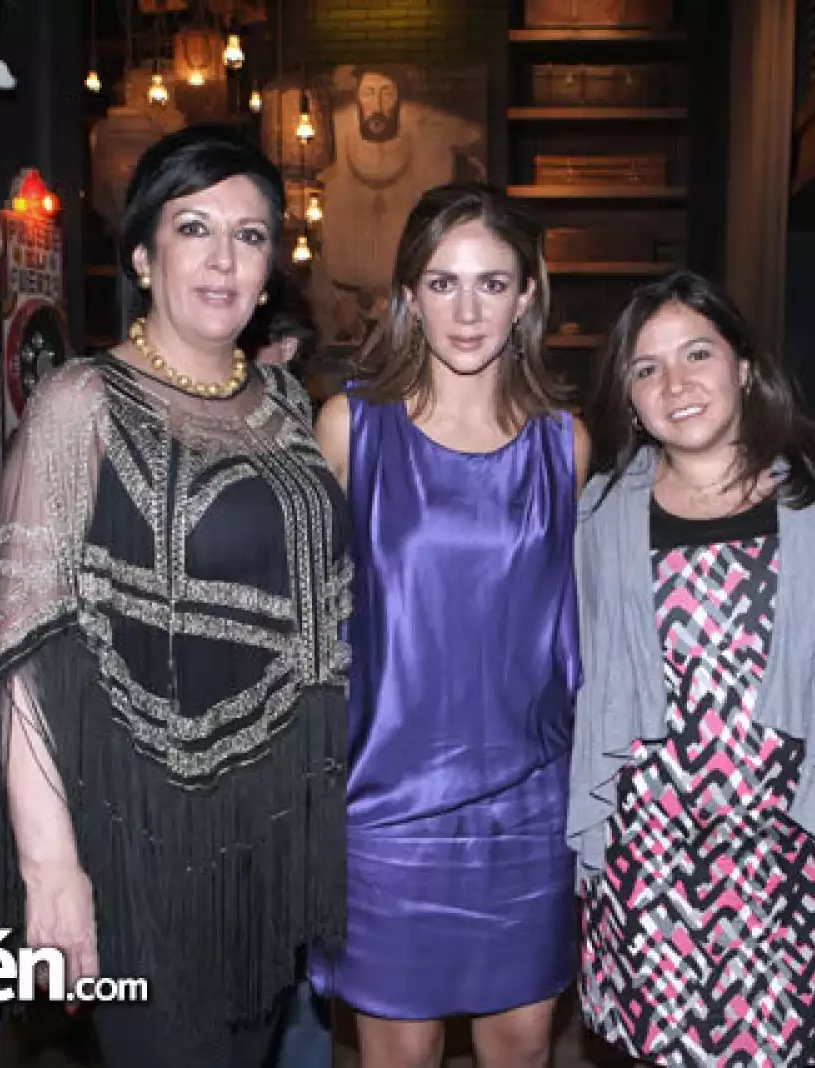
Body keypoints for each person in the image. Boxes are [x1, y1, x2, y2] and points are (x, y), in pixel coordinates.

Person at [0, 124, 353, 1068]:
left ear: (271, 266)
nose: (224, 259)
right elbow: (22, 646)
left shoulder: (286, 405)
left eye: (250, 235)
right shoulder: (78, 401)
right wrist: (51, 869)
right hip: (140, 836)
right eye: (194, 228)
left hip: (267, 834)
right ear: (143, 254)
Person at [310, 182, 589, 1068]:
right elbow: (315, 632)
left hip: (529, 809)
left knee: (522, 1051)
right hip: (387, 812)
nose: (467, 311)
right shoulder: (351, 429)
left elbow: (574, 629)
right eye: (442, 283)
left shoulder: (566, 445)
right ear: (407, 297)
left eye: (492, 284)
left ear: (529, 296)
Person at [569, 271, 815, 1066]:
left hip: (801, 842)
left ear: (744, 367)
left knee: (803, 1045)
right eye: (647, 368)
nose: (676, 383)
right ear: (628, 395)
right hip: (654, 856)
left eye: (697, 353)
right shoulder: (597, 516)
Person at [314, 63, 486, 347]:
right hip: (343, 297)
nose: (378, 104)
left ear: (399, 98)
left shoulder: (426, 131)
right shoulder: (329, 132)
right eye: (369, 93)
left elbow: (472, 136)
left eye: (387, 93)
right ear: (358, 98)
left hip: (412, 299)